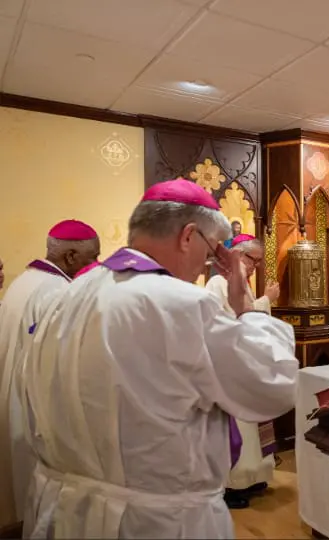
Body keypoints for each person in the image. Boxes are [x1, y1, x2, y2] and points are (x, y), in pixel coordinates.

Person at [19, 179, 299, 538]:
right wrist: (247, 306)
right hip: (154, 520)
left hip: (65, 508)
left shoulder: (65, 297)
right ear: (188, 236)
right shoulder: (180, 304)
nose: (205, 266)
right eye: (211, 251)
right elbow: (271, 385)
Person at [0, 220, 100, 530]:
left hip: (12, 399)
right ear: (70, 256)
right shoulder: (57, 291)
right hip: (34, 411)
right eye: (92, 257)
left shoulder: (23, 281)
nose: (95, 265)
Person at [205, 233, 282, 509]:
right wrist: (265, 300)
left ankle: (255, 476)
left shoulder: (241, 284)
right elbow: (228, 321)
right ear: (237, 254)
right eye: (253, 260)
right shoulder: (217, 282)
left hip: (247, 365)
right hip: (229, 368)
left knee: (252, 427)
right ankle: (232, 485)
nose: (256, 267)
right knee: (238, 428)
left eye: (259, 262)